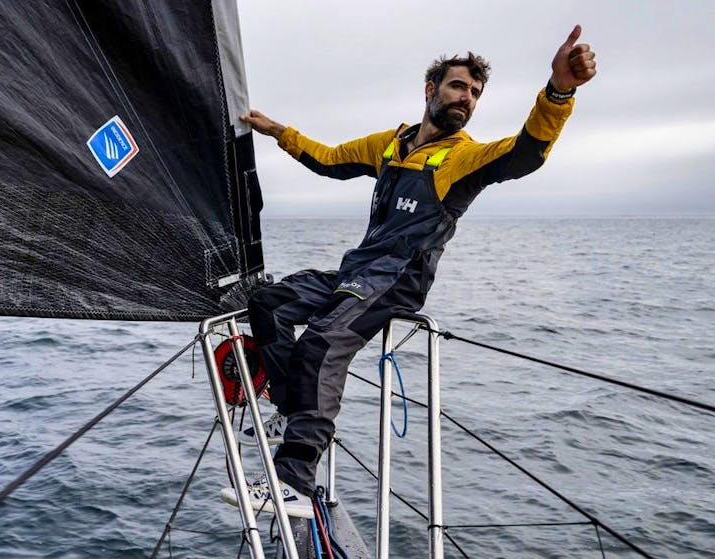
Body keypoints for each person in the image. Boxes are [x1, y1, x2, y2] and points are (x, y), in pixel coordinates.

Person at [220, 26, 597, 518]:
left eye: (475, 93)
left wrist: (559, 92)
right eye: (458, 86)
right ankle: (292, 408)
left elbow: (525, 153)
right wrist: (279, 133)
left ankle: (294, 477)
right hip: (357, 270)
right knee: (268, 302)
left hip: (397, 280)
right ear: (431, 90)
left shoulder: (463, 157)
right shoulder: (391, 144)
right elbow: (331, 160)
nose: (467, 98)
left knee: (322, 340)